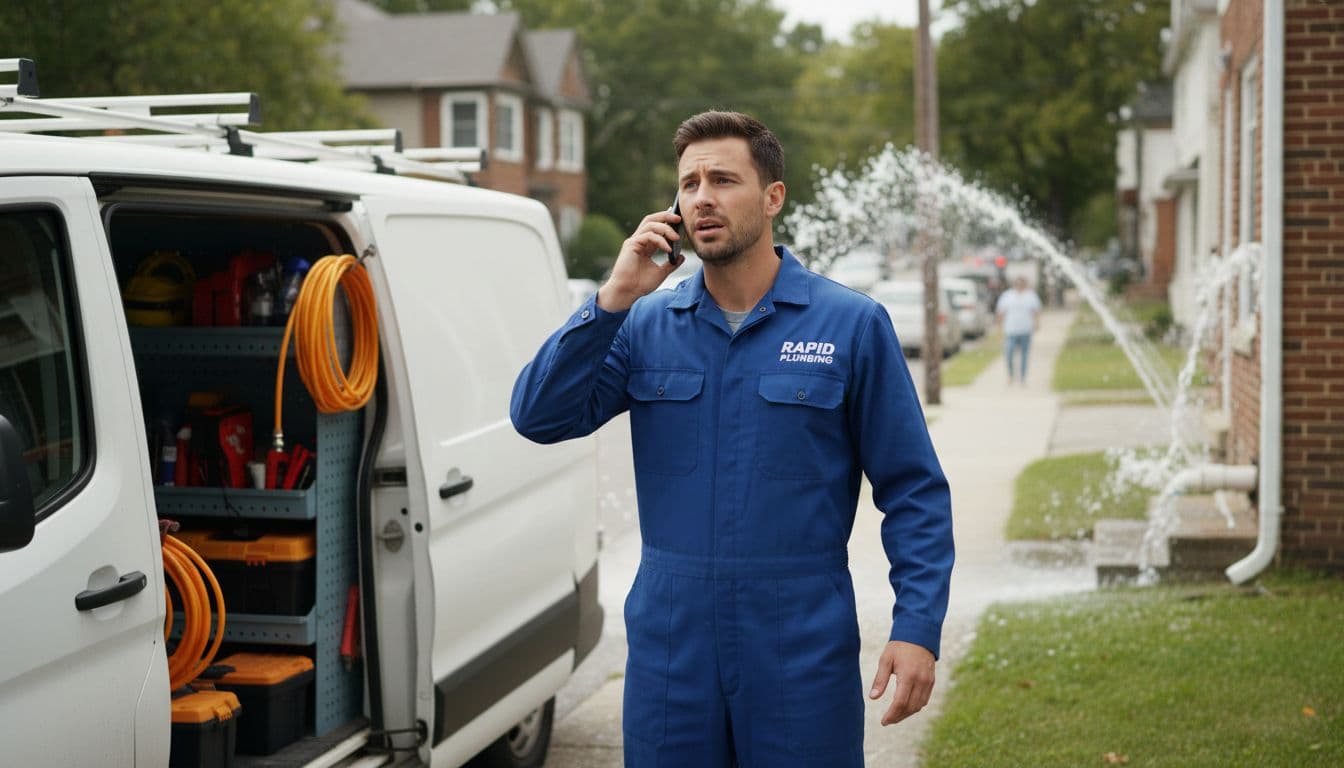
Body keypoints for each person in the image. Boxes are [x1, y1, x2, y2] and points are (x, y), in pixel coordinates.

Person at [510, 111, 953, 767]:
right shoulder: (644, 326)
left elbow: (912, 490)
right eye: (688, 184)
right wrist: (614, 297)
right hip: (671, 650)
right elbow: (539, 416)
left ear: (773, 197)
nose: (702, 198)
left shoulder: (850, 325)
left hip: (799, 647)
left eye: (723, 179)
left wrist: (916, 627)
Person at [995, 276, 1042, 384]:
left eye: (1022, 284)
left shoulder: (1031, 296)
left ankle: (1023, 377)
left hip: (1026, 330)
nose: (1020, 286)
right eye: (1018, 284)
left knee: (1025, 355)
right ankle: (1010, 375)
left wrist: (1037, 323)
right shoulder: (1007, 296)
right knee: (1009, 353)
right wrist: (999, 326)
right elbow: (1000, 312)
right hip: (1011, 330)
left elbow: (1036, 311)